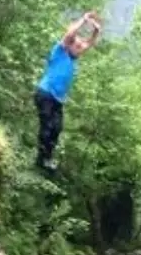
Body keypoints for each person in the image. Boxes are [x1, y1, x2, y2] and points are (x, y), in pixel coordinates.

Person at [34, 11, 102, 172]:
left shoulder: (73, 58)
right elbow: (70, 34)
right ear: (70, 45)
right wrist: (84, 20)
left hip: (57, 99)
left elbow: (89, 44)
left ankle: (47, 158)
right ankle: (41, 158)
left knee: (57, 128)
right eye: (77, 46)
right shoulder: (60, 51)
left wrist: (96, 31)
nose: (80, 49)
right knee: (47, 126)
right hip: (45, 93)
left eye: (80, 47)